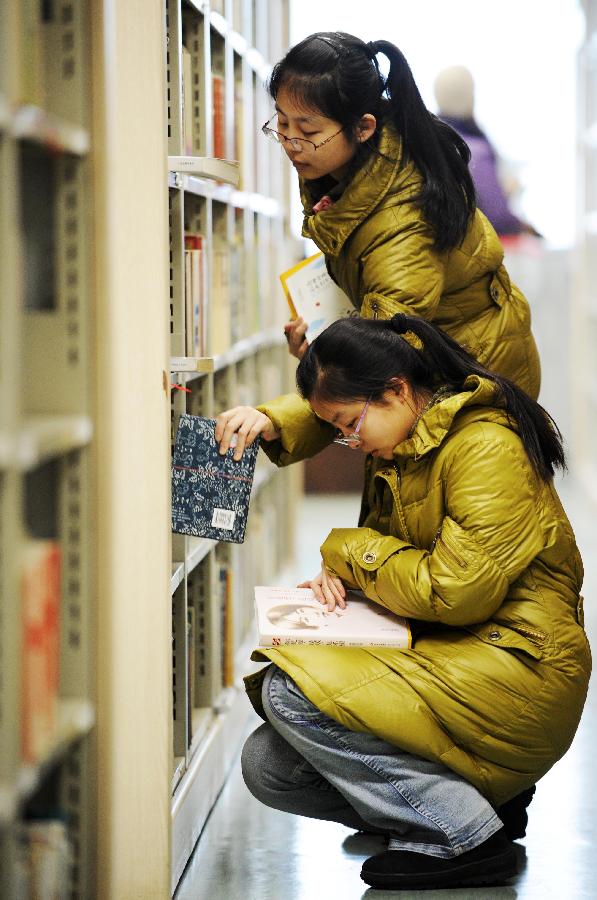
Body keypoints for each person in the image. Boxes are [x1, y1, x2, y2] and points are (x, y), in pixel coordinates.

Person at [215, 312, 591, 891]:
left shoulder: (485, 447)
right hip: (453, 651)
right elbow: (403, 568)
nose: (350, 441)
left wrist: (351, 552)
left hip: (520, 667)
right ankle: (467, 804)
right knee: (269, 766)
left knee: (289, 692)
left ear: (395, 390)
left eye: (349, 424)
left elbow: (454, 590)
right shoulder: (401, 448)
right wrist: (347, 580)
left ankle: (465, 835)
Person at [264, 30, 540, 399]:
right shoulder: (343, 176)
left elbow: (380, 362)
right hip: (438, 371)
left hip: (476, 381)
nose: (291, 144)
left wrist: (316, 368)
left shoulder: (403, 219)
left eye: (308, 130)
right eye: (282, 124)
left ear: (364, 128)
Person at [434, 64, 541, 237]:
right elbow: (498, 217)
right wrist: (524, 227)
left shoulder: (430, 139)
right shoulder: (474, 150)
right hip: (473, 241)